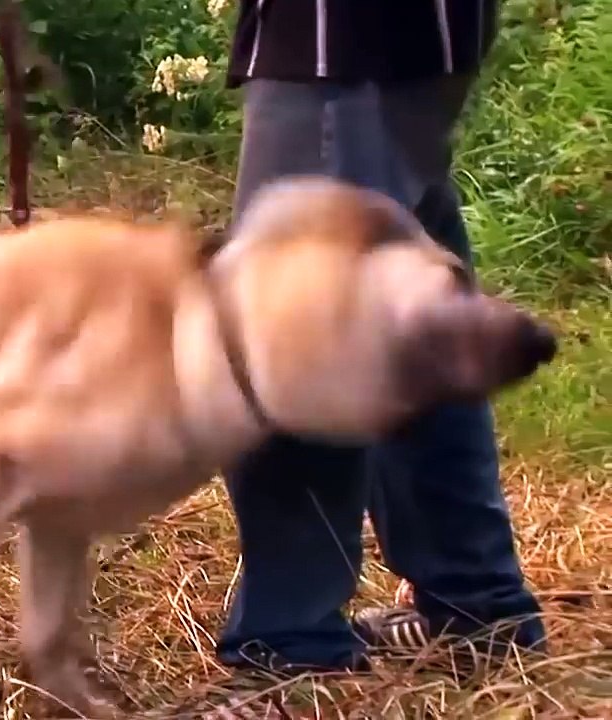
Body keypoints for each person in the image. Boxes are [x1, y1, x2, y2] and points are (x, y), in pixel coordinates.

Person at [214, 0, 548, 677]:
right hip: (409, 39)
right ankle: (475, 601)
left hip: (341, 41)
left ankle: (291, 643)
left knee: (295, 339)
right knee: (413, 333)